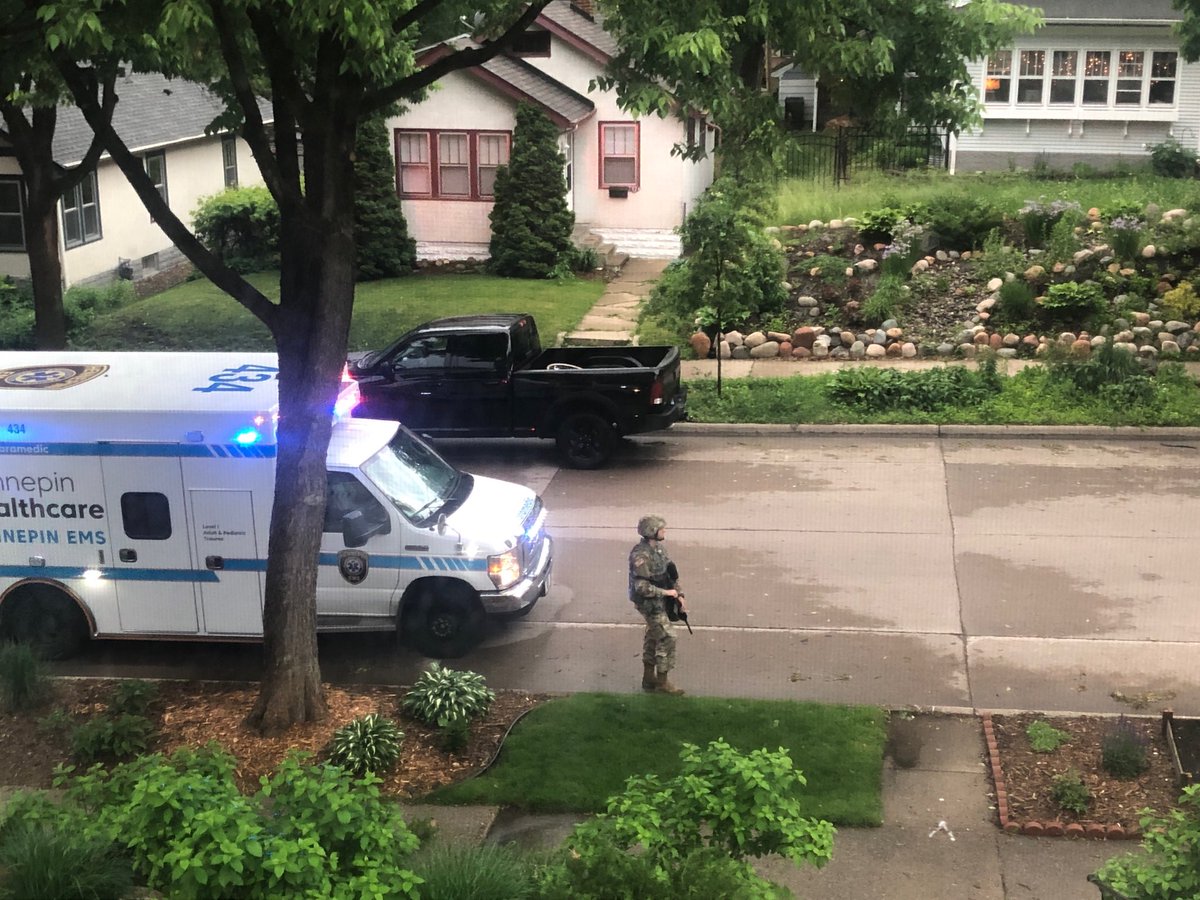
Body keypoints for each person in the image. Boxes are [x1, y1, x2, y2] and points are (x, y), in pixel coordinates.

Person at [628, 514, 686, 695]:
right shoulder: (641, 556)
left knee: (654, 634)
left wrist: (679, 594)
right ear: (652, 531)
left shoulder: (659, 550)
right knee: (667, 636)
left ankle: (648, 678)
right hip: (648, 603)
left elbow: (670, 573)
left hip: (660, 599)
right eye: (661, 529)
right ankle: (662, 681)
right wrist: (667, 593)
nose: (664, 531)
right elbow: (641, 588)